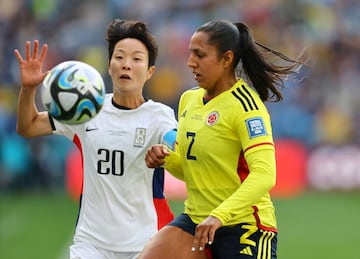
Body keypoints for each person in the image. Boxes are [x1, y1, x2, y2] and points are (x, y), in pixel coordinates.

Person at [139, 20, 304, 259]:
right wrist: (166, 159)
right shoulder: (189, 100)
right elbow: (191, 169)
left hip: (245, 226)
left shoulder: (247, 108)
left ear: (227, 59)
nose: (190, 63)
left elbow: (265, 174)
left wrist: (219, 215)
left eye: (200, 55)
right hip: (196, 220)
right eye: (190, 54)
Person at [14, 19, 177, 259]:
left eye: (136, 59)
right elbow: (27, 127)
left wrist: (169, 152)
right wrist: (28, 89)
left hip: (145, 244)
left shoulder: (158, 115)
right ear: (109, 66)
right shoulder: (86, 109)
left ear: (150, 71)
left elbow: (178, 143)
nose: (126, 65)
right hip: (90, 245)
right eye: (119, 57)